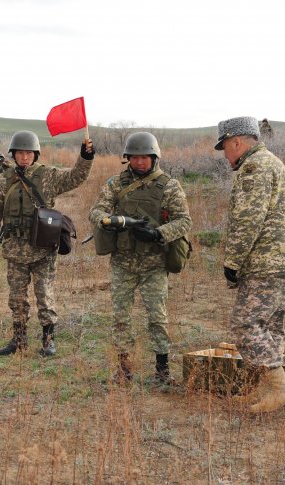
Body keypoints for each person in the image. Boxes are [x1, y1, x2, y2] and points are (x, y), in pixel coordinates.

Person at [215, 116, 285, 413]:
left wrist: (233, 261)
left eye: (225, 147)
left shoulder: (254, 167)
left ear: (237, 142)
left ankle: (279, 386)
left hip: (266, 263)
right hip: (284, 262)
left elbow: (248, 219)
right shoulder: (273, 163)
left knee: (245, 324)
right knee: (270, 326)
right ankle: (267, 388)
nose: (225, 154)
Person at [88, 132, 191, 385]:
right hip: (123, 262)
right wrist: (107, 220)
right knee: (121, 317)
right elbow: (96, 209)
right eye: (135, 158)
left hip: (154, 264)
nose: (140, 162)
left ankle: (162, 369)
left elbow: (184, 221)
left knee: (157, 316)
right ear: (128, 159)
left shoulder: (168, 185)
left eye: (145, 157)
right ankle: (124, 369)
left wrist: (158, 233)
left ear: (154, 157)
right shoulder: (116, 183)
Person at [0, 130, 94, 357]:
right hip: (14, 249)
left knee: (45, 295)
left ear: (36, 154)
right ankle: (19, 339)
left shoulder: (48, 176)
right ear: (13, 155)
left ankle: (48, 340)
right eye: (20, 153)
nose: (24, 157)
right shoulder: (3, 180)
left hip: (43, 247)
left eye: (29, 153)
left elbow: (75, 177)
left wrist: (86, 157)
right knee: (17, 298)